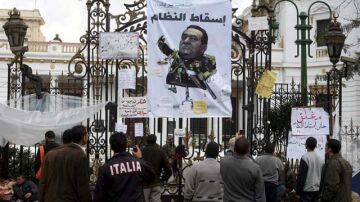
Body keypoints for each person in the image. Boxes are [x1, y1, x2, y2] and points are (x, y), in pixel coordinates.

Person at [93, 132, 155, 202]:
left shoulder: (105, 168)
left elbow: (99, 196)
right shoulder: (138, 163)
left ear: (111, 147)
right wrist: (140, 158)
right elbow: (151, 175)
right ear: (126, 145)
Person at [157, 25, 216, 98]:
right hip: (176, 89)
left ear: (203, 47)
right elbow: (169, 52)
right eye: (184, 37)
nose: (186, 41)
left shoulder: (208, 61)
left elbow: (211, 72)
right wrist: (163, 46)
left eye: (193, 39)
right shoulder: (177, 55)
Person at [39, 125, 92, 202]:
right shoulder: (80, 156)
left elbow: (43, 182)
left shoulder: (50, 154)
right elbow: (83, 187)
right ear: (84, 137)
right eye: (87, 134)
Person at [220, 137, 265, 202]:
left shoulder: (224, 162)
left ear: (234, 148)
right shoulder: (255, 168)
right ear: (248, 150)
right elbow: (260, 195)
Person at [142, 135, 172, 202]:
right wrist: (163, 180)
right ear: (155, 141)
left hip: (144, 183)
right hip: (156, 182)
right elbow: (168, 169)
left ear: (146, 141)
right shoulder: (160, 152)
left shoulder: (141, 151)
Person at [296, 137, 324, 202]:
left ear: (306, 145)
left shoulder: (305, 158)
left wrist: (298, 192)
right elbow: (323, 176)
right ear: (316, 146)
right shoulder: (321, 159)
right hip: (317, 191)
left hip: (306, 191)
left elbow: (301, 177)